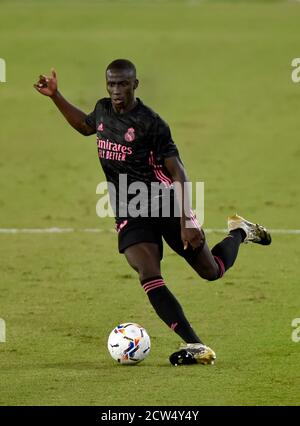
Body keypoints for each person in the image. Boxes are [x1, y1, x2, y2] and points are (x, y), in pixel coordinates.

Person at [34, 59, 271, 366]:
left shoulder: (151, 123)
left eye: (123, 84)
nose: (116, 90)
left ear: (135, 85)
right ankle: (196, 345)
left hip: (166, 205)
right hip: (129, 208)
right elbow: (85, 126)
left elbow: (178, 172)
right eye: (111, 84)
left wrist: (187, 221)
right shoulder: (103, 109)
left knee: (211, 272)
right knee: (148, 273)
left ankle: (240, 231)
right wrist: (56, 95)